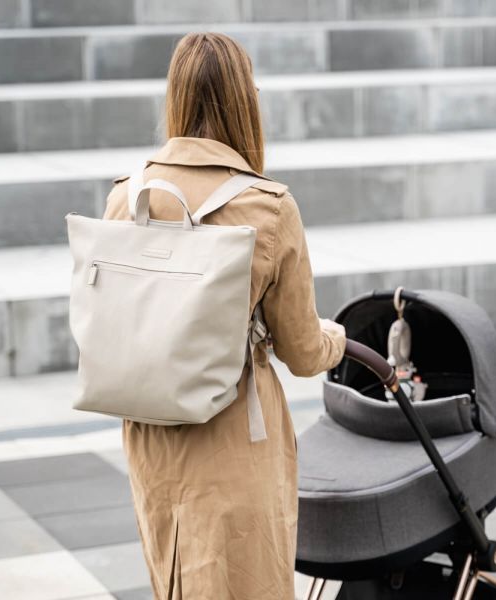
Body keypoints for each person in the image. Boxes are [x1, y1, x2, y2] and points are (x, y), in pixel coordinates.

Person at [101, 32, 346, 599]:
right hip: (234, 437)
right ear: (245, 101)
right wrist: (337, 336)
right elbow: (304, 352)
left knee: (178, 582)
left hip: (151, 437)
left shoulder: (126, 197)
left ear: (176, 98)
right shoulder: (267, 206)